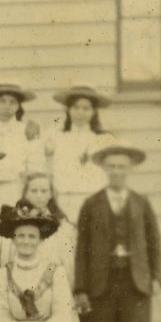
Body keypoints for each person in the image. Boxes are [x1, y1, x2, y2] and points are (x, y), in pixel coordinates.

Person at [75, 145, 161, 322]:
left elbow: (154, 243)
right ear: (105, 169)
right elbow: (82, 249)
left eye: (121, 167)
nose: (116, 171)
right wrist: (80, 288)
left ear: (130, 169)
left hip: (134, 282)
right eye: (111, 166)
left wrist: (156, 277)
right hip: (101, 283)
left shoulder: (141, 203)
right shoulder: (91, 204)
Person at [1, 176, 89, 322]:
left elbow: (69, 261)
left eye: (44, 191)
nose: (39, 196)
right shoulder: (16, 223)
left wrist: (72, 290)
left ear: (51, 194)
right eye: (34, 191)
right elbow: (8, 258)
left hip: (55, 287)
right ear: (25, 193)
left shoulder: (62, 226)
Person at [44, 86, 115, 224]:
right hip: (64, 199)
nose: (80, 112)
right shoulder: (56, 136)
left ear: (94, 111)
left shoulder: (105, 139)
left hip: (94, 198)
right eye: (76, 107)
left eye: (86, 108)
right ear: (68, 109)